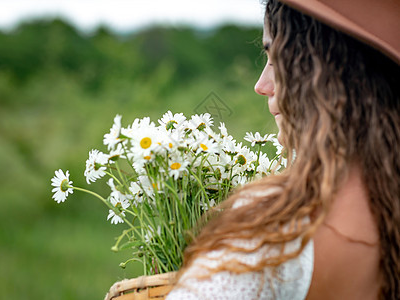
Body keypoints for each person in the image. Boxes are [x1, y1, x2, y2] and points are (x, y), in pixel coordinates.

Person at [166, 0, 400, 299]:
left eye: (276, 59)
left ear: (322, 71)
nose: (262, 85)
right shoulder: (388, 199)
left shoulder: (279, 225)